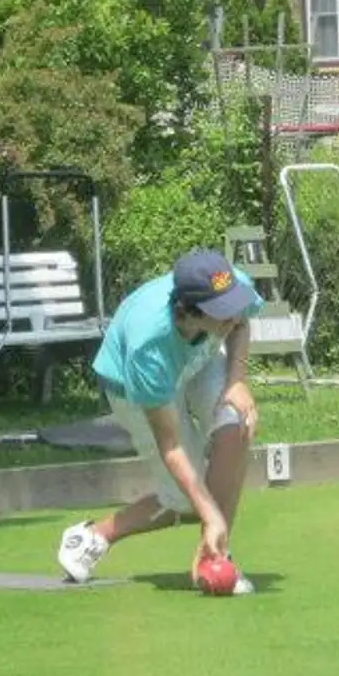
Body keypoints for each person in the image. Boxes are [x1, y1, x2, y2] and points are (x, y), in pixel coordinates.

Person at [56, 247, 262, 590]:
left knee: (237, 421)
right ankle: (93, 536)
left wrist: (237, 381)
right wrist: (211, 514)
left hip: (197, 357)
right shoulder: (149, 345)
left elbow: (241, 322)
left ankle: (214, 559)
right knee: (188, 500)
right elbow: (171, 444)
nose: (232, 316)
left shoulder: (230, 286)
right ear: (192, 312)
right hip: (135, 386)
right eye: (221, 311)